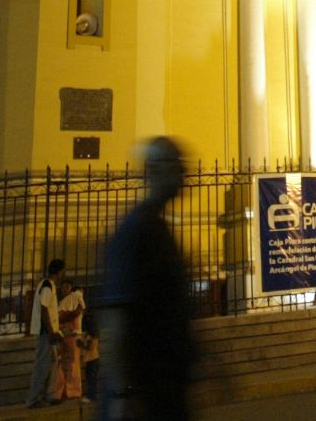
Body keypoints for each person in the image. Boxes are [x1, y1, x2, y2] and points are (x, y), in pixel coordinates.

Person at [98, 136, 196, 420]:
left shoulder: (158, 227)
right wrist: (122, 394)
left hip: (166, 390)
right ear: (152, 170)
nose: (182, 173)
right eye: (174, 164)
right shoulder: (136, 229)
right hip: (146, 396)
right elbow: (116, 319)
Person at [25, 257, 65, 408]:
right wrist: (50, 331)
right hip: (46, 333)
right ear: (59, 271)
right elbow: (44, 308)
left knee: (53, 363)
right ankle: (34, 399)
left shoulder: (48, 285)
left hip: (50, 331)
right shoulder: (47, 286)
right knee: (42, 364)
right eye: (62, 271)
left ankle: (50, 394)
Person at [55, 275, 88, 401]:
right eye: (63, 287)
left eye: (67, 286)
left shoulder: (74, 297)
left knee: (71, 363)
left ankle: (71, 392)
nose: (64, 289)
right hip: (65, 334)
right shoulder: (64, 300)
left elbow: (79, 309)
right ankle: (66, 392)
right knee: (66, 363)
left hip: (71, 334)